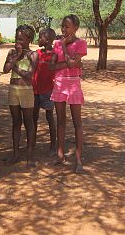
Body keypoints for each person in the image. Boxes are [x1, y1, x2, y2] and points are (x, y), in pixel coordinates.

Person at [49, 14, 87, 173]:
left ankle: (78, 158)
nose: (64, 29)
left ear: (76, 28)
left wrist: (64, 48)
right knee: (61, 121)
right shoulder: (56, 43)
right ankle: (60, 154)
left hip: (73, 83)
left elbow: (73, 64)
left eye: (67, 26)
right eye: (62, 26)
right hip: (59, 83)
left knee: (77, 122)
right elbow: (52, 67)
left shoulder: (80, 43)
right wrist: (68, 62)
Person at [3, 25, 38, 168]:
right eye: (17, 37)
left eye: (21, 38)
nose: (18, 40)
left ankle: (30, 156)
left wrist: (14, 66)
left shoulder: (33, 55)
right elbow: (5, 69)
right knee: (16, 122)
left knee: (28, 122)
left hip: (26, 91)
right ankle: (16, 154)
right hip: (13, 89)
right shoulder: (12, 52)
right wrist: (17, 55)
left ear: (29, 39)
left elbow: (29, 76)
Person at [32, 28, 57, 154]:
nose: (38, 39)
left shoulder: (54, 54)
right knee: (33, 117)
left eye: (40, 37)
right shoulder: (37, 53)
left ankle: (53, 145)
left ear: (47, 40)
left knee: (49, 116)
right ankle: (32, 144)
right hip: (35, 89)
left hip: (48, 90)